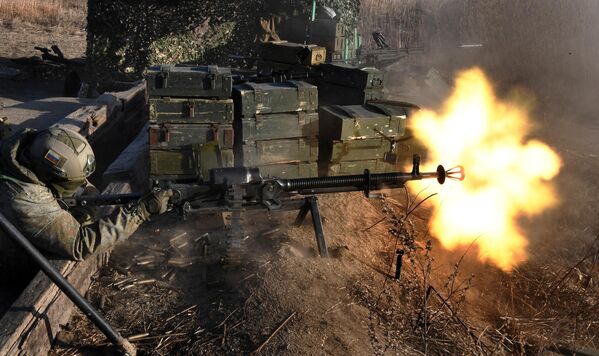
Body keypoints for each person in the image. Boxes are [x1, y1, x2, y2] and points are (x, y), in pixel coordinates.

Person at [0, 126, 172, 281]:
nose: (84, 183)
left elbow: (81, 185)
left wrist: (87, 206)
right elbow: (81, 244)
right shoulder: (26, 199)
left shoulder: (26, 148)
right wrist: (140, 212)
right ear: (50, 176)